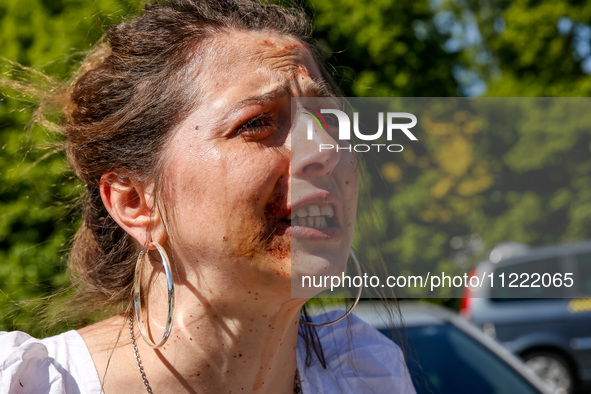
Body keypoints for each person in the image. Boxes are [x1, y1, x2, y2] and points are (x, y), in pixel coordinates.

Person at [0, 0, 416, 393]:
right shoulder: (30, 383)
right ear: (136, 203)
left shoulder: (367, 377)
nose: (326, 149)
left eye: (329, 119)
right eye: (257, 122)